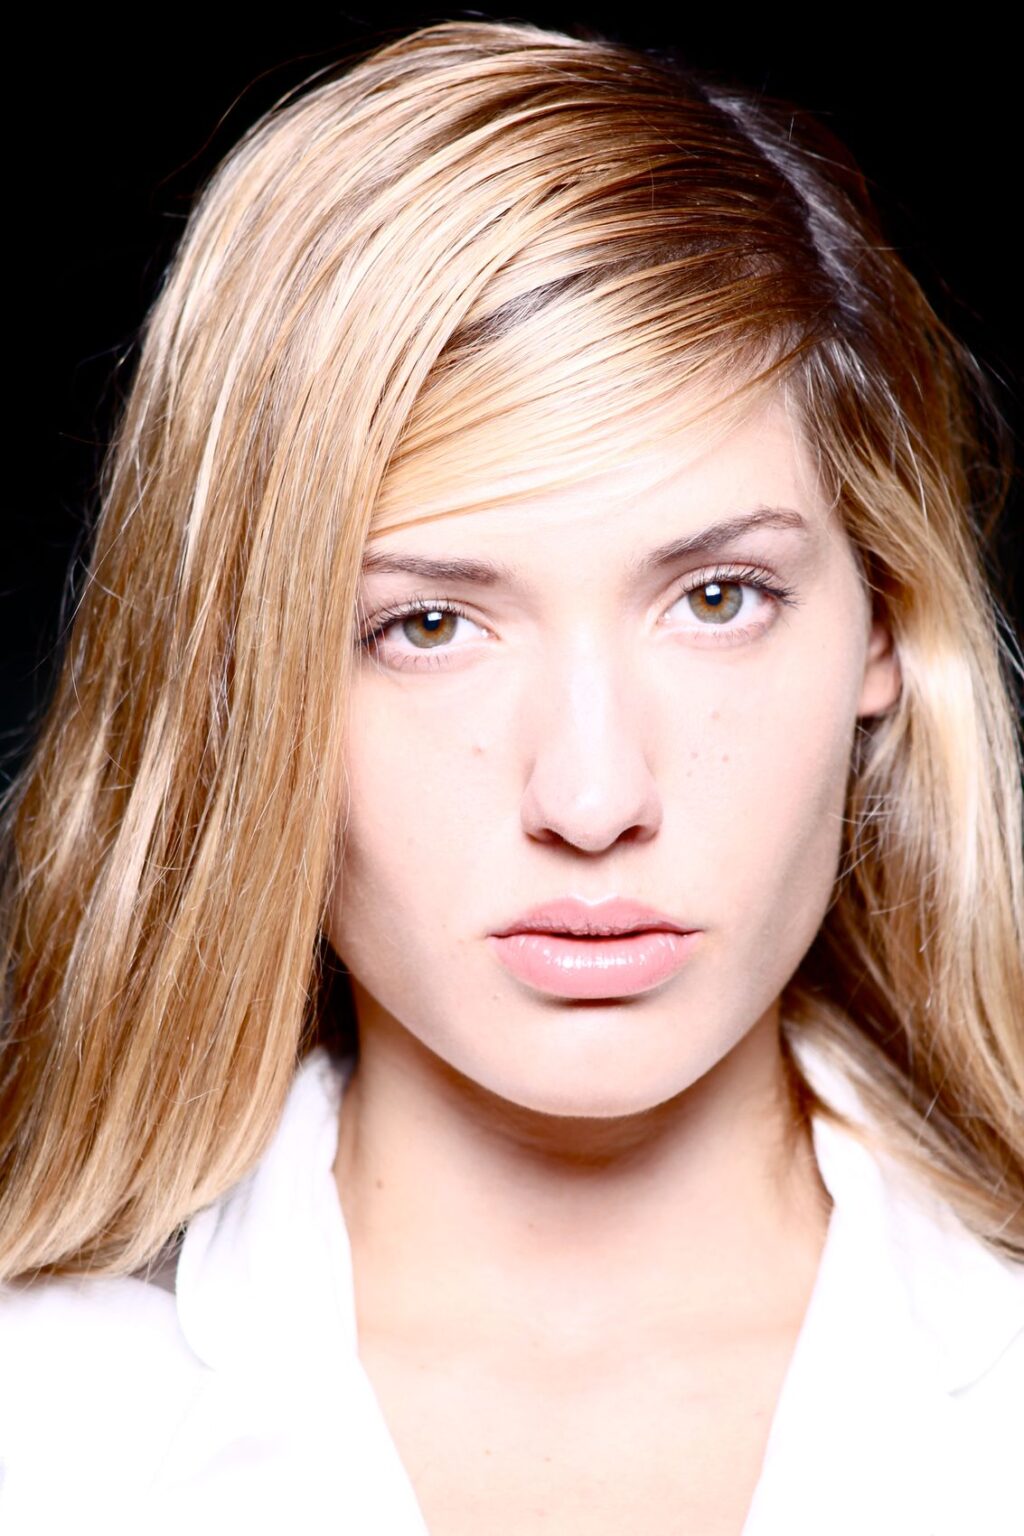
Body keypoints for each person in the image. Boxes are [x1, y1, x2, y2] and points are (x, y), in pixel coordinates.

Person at [2, 17, 1022, 1535]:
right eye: (426, 625)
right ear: (244, 680)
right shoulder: (41, 1430)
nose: (594, 799)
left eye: (718, 598)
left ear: (886, 623)